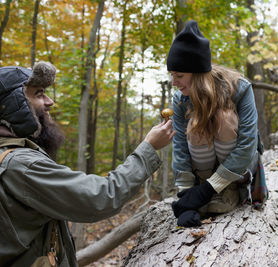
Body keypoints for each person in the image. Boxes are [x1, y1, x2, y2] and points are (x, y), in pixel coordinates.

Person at [0, 62, 175, 266]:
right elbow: (101, 196)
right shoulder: (20, 165)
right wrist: (148, 148)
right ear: (13, 104)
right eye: (38, 94)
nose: (50, 101)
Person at [167, 21, 267, 227]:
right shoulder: (180, 100)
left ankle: (228, 191)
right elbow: (179, 148)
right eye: (172, 75)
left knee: (223, 118)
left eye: (179, 76)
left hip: (237, 171)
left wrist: (209, 190)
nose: (174, 82)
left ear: (197, 74)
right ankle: (205, 191)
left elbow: (248, 143)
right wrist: (187, 199)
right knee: (196, 125)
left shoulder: (240, 88)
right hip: (201, 177)